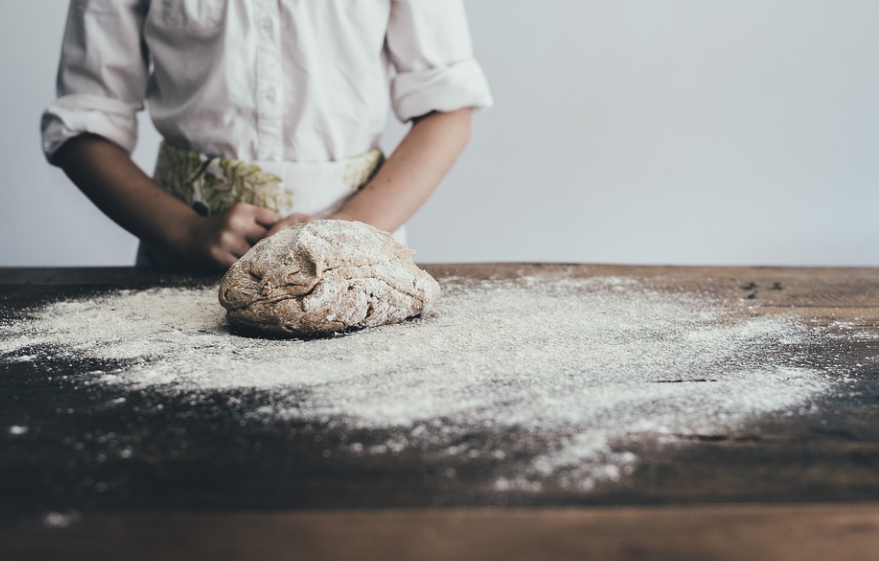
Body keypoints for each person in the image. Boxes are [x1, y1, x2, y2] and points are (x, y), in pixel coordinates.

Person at [41, 0, 492, 270]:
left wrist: (350, 232)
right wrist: (183, 231)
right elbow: (84, 121)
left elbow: (447, 108)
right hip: (184, 261)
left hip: (359, 257)